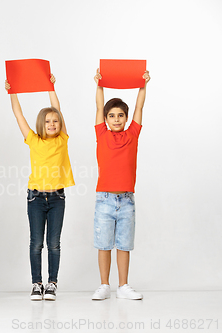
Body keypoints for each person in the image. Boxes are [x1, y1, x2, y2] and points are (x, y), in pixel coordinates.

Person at [6, 75, 74, 301]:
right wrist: (12, 91)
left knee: (53, 243)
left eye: (55, 121)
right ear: (40, 125)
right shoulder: (33, 140)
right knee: (36, 243)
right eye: (47, 122)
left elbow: (57, 108)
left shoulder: (62, 139)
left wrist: (51, 87)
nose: (52, 124)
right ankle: (37, 284)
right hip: (35, 199)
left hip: (57, 199)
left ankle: (52, 283)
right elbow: (18, 114)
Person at [91, 69, 151, 300]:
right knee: (104, 244)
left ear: (126, 118)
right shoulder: (102, 134)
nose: (116, 119)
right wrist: (99, 85)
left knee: (124, 244)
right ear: (106, 119)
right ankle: (104, 284)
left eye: (120, 116)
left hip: (126, 200)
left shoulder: (133, 134)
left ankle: (123, 285)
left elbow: (139, 108)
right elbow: (98, 106)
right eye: (112, 116)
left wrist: (143, 85)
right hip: (104, 199)